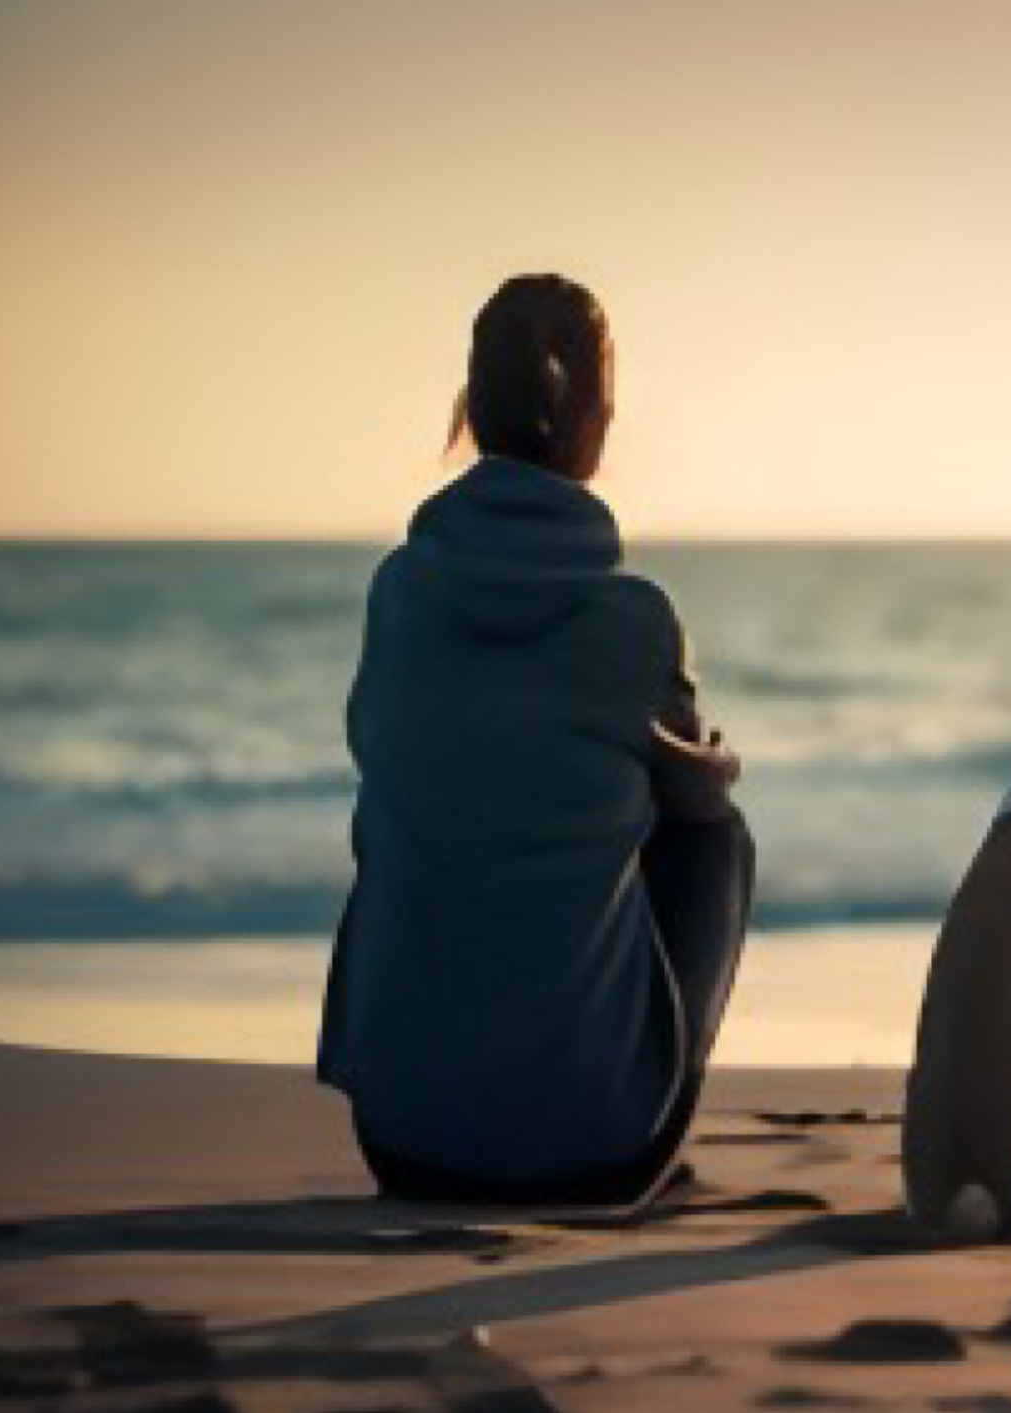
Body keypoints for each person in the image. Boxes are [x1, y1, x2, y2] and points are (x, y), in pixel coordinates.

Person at [317, 274, 753, 1208]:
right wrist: (709, 774)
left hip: (401, 1142)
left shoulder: (397, 596)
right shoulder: (637, 621)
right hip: (593, 1152)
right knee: (713, 831)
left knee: (409, 820)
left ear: (469, 409)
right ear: (599, 418)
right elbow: (686, 800)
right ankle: (640, 1091)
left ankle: (434, 1065)